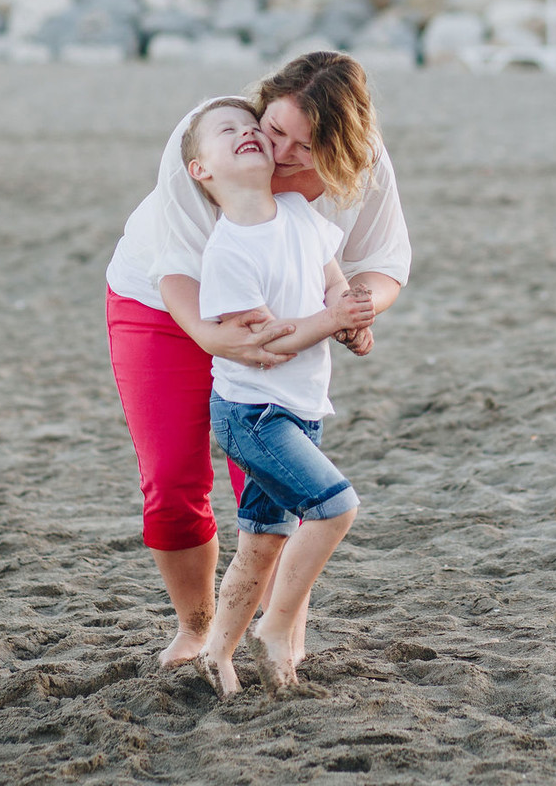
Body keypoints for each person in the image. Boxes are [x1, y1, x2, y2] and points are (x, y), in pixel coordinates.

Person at [103, 51, 411, 668]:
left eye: (307, 143)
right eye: (275, 130)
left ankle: (255, 627)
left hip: (281, 326)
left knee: (269, 486)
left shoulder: (364, 161)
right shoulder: (218, 137)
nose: (282, 152)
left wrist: (357, 308)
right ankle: (195, 626)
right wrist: (214, 339)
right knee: (172, 479)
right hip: (164, 305)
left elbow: (385, 262)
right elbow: (177, 270)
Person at [173, 97, 373, 695]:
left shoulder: (298, 212)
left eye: (248, 126)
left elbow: (330, 274)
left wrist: (352, 318)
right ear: (201, 171)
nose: (245, 133)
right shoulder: (228, 250)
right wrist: (328, 318)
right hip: (253, 414)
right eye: (224, 132)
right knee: (336, 507)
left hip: (301, 409)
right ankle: (278, 626)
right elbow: (269, 343)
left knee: (260, 543)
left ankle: (218, 654)